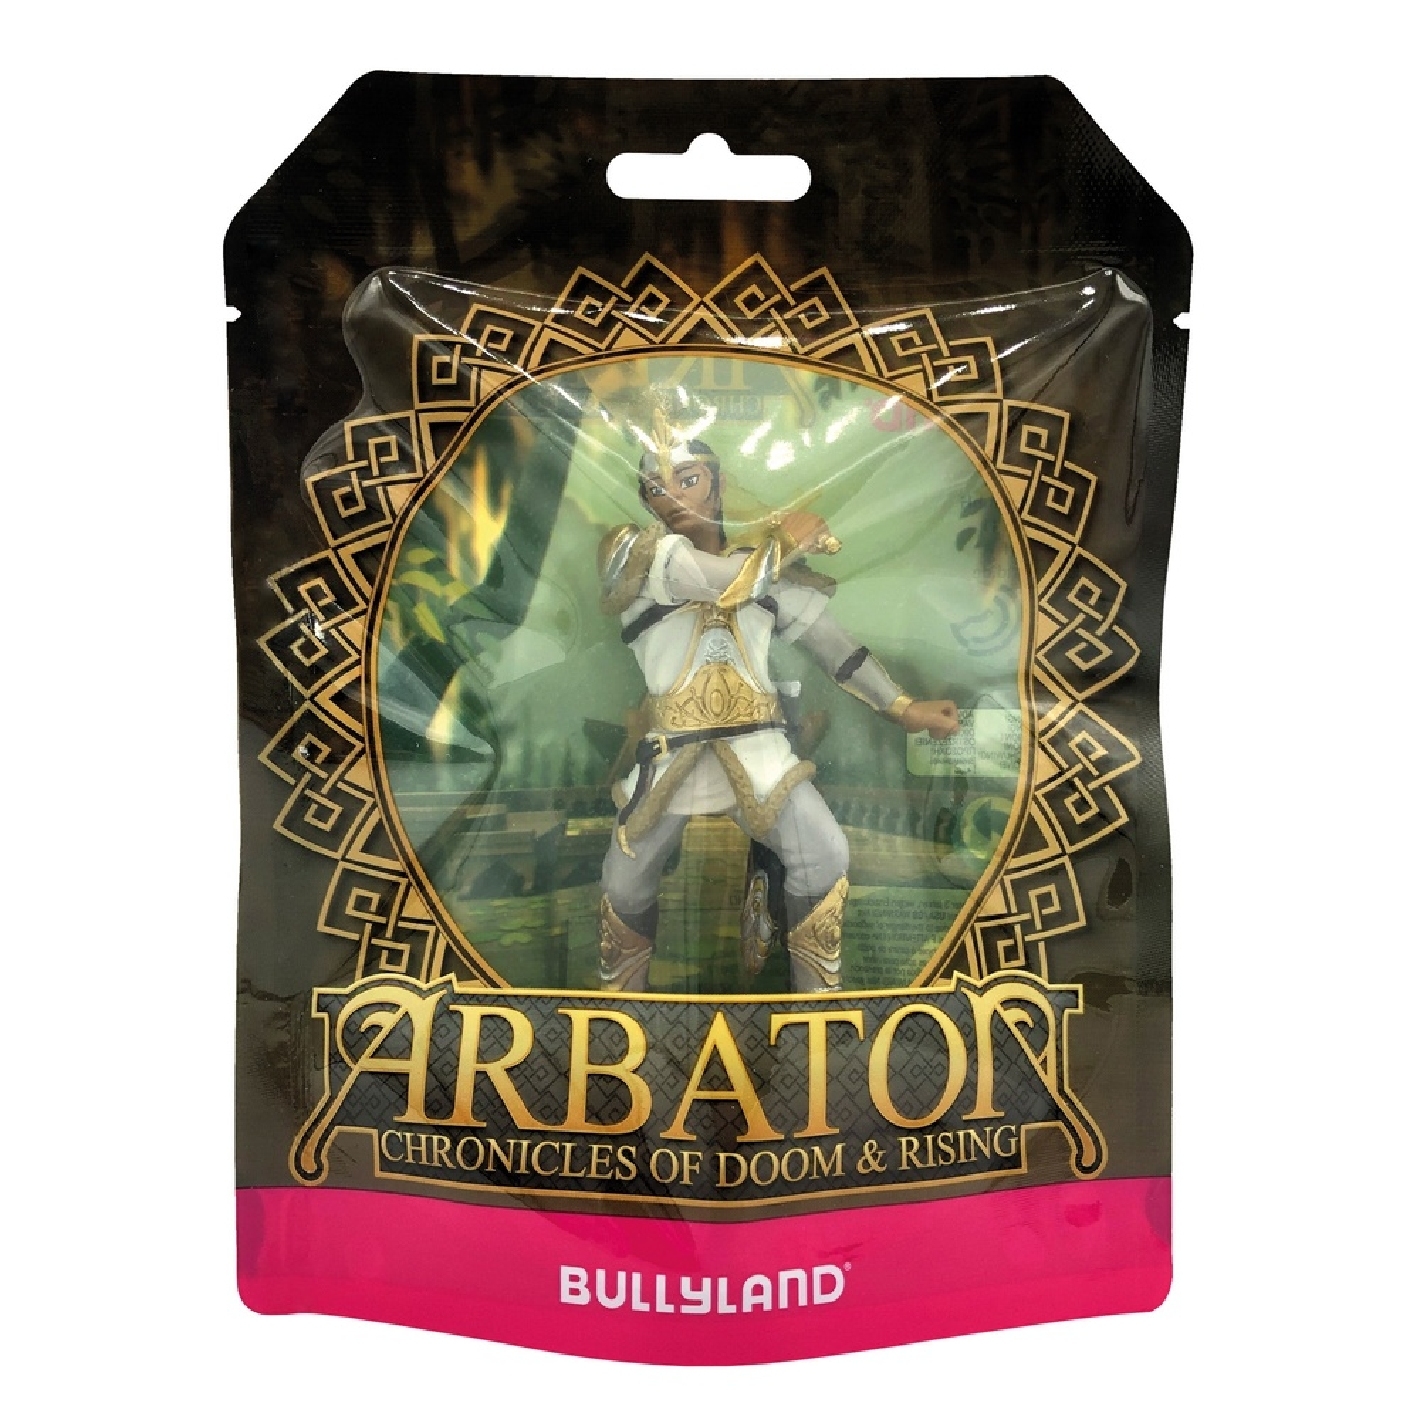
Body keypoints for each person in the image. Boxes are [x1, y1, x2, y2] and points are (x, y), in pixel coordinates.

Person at [596, 425, 959, 994]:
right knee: (623, 883)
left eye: (688, 480)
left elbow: (835, 648)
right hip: (670, 755)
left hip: (759, 752)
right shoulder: (642, 557)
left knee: (825, 854)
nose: (674, 497)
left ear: (716, 486)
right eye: (657, 489)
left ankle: (815, 1008)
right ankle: (619, 1015)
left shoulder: (764, 570)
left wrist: (903, 707)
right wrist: (785, 543)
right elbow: (721, 584)